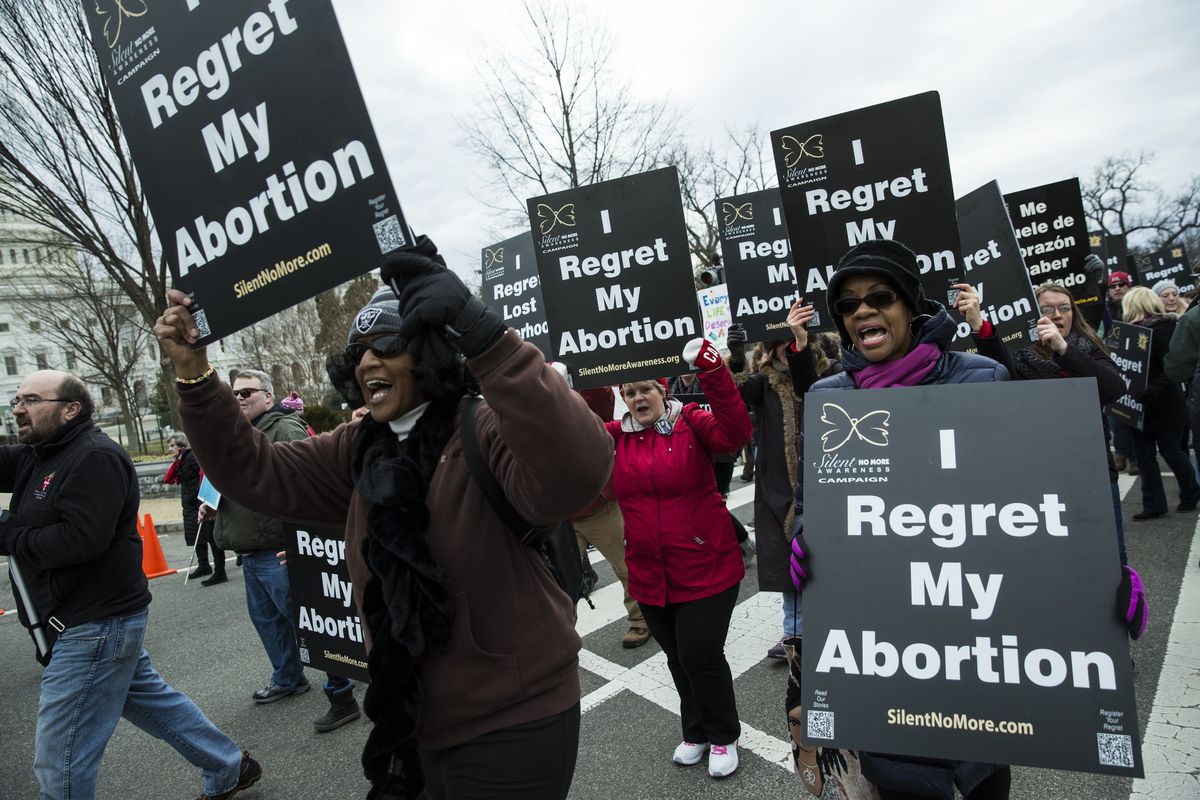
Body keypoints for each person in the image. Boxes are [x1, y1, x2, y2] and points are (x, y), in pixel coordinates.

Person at [155, 235, 612, 800]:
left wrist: (484, 335)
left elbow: (576, 470)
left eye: (389, 344)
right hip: (410, 722)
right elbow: (253, 472)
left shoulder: (484, 427)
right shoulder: (356, 448)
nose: (369, 360)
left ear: (431, 353)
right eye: (359, 351)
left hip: (515, 719)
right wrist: (196, 374)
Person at [789, 240, 1012, 800]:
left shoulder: (980, 379)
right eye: (847, 305)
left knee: (976, 767)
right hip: (880, 644)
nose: (862, 311)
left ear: (911, 305)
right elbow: (813, 503)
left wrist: (1100, 575)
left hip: (966, 630)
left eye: (879, 297)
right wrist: (805, 544)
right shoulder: (829, 397)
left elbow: (1028, 502)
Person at [0, 370, 260, 800]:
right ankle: (228, 767)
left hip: (93, 624)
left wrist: (8, 535)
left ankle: (227, 767)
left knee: (59, 758)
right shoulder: (38, 454)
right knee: (151, 702)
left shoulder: (93, 457)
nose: (18, 409)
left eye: (30, 400)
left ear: (70, 409)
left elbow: (79, 540)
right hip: (84, 621)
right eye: (16, 401)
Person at [607, 341, 753, 779]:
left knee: (700, 653)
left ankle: (725, 734)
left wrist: (712, 368)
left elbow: (736, 433)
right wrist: (553, 390)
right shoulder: (615, 437)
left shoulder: (691, 421)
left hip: (706, 566)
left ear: (662, 388)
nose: (637, 398)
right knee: (676, 657)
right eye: (629, 392)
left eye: (645, 390)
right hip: (650, 574)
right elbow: (566, 443)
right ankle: (696, 731)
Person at [203, 368, 361, 732]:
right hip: (250, 551)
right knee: (269, 622)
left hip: (280, 550)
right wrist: (213, 504)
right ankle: (288, 677)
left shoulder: (284, 429)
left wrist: (303, 541)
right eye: (235, 393)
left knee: (316, 627)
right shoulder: (238, 435)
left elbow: (306, 491)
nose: (239, 398)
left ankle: (341, 689)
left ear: (269, 397)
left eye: (247, 392)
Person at [959, 281, 1130, 563]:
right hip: (1041, 475)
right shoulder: (1020, 355)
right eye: (1047, 309)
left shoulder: (1086, 348)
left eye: (1064, 308)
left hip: (1093, 471)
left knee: (1109, 560)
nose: (1057, 315)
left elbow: (1114, 389)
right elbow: (1000, 374)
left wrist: (1063, 350)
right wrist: (978, 323)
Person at [729, 303, 838, 661]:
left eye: (792, 345)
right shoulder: (764, 384)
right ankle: (794, 632)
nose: (786, 352)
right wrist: (734, 357)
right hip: (778, 489)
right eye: (780, 346)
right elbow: (734, 394)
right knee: (792, 563)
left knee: (829, 561)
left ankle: (832, 623)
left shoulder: (829, 376)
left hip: (827, 483)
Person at [571, 384, 649, 649]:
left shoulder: (581, 394)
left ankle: (642, 620)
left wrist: (575, 376)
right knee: (558, 581)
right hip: (559, 510)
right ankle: (560, 636)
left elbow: (599, 397)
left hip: (598, 505)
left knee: (626, 566)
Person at [1120, 286, 1199, 519]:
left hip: (1164, 406)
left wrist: (1151, 391)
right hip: (1136, 406)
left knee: (1171, 452)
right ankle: (1153, 504)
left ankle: (1190, 493)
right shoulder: (1127, 332)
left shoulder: (1163, 330)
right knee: (1145, 458)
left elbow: (1173, 369)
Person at [164, 433, 226, 583]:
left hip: (198, 501)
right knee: (196, 535)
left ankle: (220, 570)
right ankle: (204, 564)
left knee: (210, 535)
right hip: (191, 502)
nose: (170, 448)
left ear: (181, 445)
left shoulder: (191, 458)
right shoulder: (182, 460)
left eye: (173, 445)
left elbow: (203, 476)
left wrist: (200, 496)